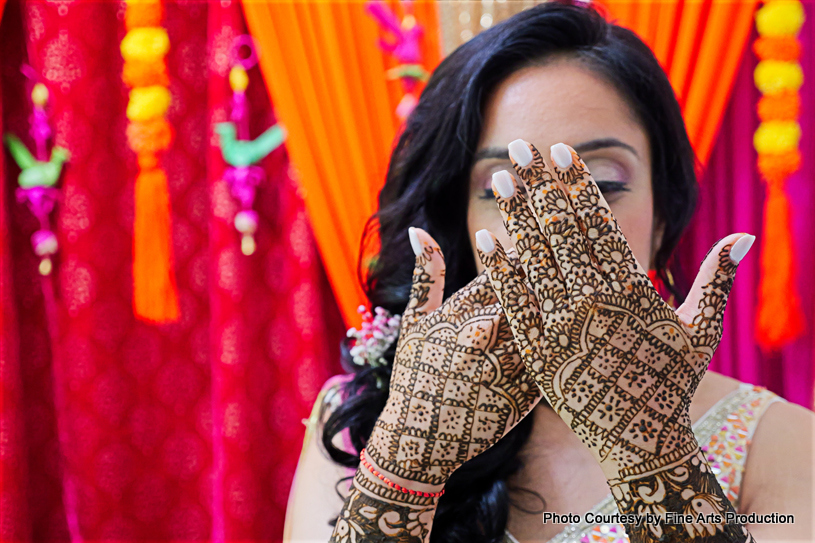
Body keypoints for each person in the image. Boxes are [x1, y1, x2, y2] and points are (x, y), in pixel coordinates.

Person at [283, 2, 814, 542]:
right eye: (501, 189)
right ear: (458, 222)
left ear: (662, 220)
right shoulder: (363, 418)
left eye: (601, 183)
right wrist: (405, 467)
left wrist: (653, 453)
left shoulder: (778, 440)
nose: (549, 222)